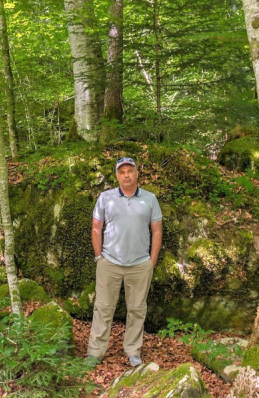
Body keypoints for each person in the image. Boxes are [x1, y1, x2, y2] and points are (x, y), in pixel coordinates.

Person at [85, 157, 163, 368]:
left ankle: (133, 352)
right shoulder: (105, 197)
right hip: (109, 262)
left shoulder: (150, 199)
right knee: (103, 307)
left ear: (137, 173)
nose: (126, 175)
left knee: (137, 308)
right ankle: (95, 352)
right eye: (122, 172)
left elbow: (156, 230)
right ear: (117, 176)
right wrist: (98, 256)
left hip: (139, 264)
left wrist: (151, 261)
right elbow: (96, 227)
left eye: (130, 171)